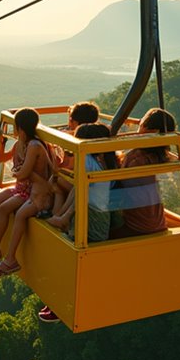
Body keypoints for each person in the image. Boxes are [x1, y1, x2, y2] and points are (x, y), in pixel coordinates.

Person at [36, 123, 118, 323]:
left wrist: (64, 217)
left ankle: (59, 304)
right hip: (95, 219)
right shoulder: (101, 162)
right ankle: (57, 302)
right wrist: (62, 216)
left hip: (91, 223)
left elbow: (83, 193)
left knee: (68, 263)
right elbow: (77, 189)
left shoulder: (88, 161)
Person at [0, 108, 52, 270]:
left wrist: (15, 172)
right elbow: (2, 158)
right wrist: (0, 141)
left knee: (3, 208)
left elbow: (23, 173)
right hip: (20, 188)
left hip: (31, 191)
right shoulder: (20, 144)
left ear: (19, 127)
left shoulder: (34, 146)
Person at [108, 108, 178, 239]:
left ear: (152, 131)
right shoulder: (162, 157)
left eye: (141, 124)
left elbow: (119, 188)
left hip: (136, 227)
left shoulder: (137, 159)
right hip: (158, 223)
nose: (138, 128)